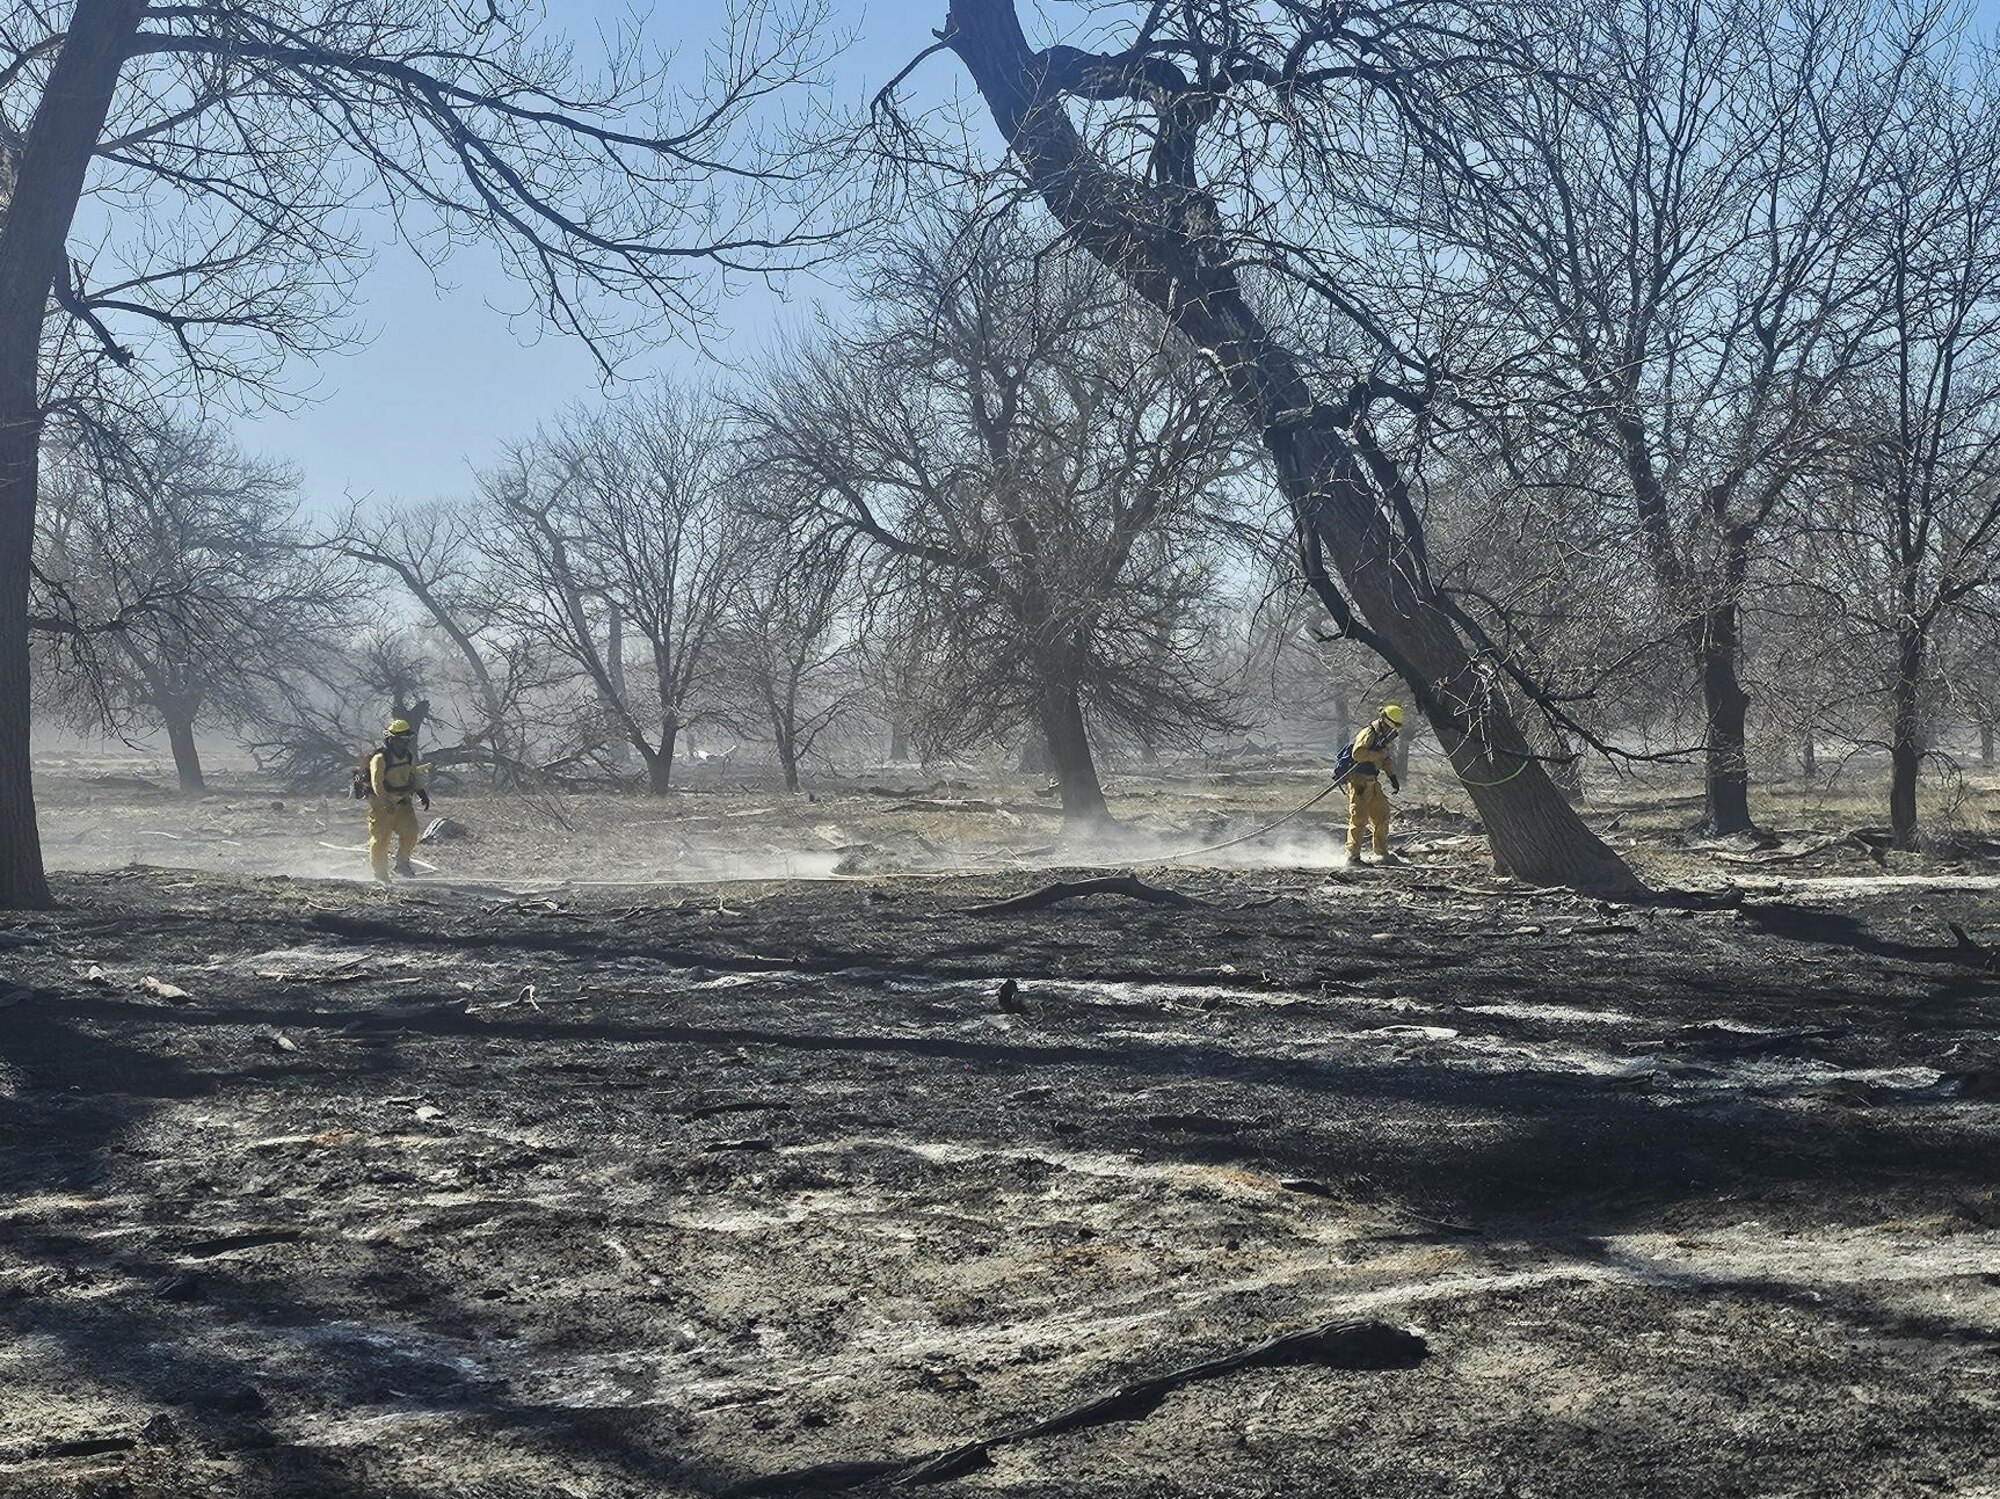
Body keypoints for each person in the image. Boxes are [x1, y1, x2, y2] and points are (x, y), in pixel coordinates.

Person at [366, 718, 430, 882]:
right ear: (391, 740)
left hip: (403, 804)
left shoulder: (407, 756)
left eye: (406, 740)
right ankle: (381, 875)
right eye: (401, 740)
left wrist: (421, 791)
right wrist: (386, 801)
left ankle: (402, 865)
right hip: (383, 806)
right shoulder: (380, 759)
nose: (404, 744)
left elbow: (412, 774)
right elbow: (376, 783)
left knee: (411, 832)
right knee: (381, 839)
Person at [1345, 703, 1403, 865]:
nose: (1390, 731)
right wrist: (1378, 754)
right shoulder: (1368, 733)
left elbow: (1385, 759)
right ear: (1383, 720)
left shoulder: (1383, 737)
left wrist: (1392, 777)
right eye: (1389, 727)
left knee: (1382, 816)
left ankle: (1381, 853)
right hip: (1359, 782)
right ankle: (1352, 857)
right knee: (1359, 819)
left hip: (1372, 781)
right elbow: (1358, 754)